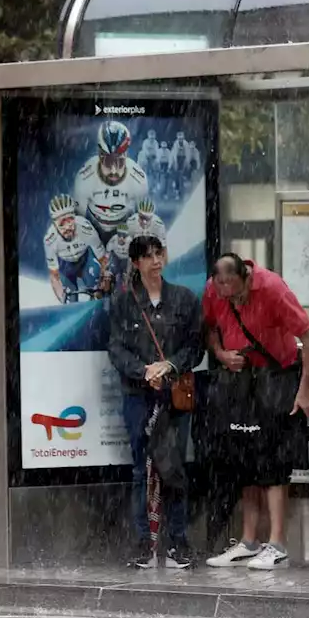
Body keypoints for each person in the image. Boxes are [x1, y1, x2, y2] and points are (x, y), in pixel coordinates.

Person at [203, 254, 309, 571]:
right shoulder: (214, 290)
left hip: (277, 375)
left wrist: (305, 388)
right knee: (244, 459)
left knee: (273, 461)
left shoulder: (272, 288)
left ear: (247, 277)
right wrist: (223, 355)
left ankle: (278, 543)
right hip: (241, 381)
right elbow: (211, 329)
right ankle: (249, 541)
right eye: (224, 293)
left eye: (237, 293)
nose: (232, 300)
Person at [107, 236, 203, 569]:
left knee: (174, 467)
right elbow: (116, 349)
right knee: (140, 470)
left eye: (158, 254)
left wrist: (170, 365)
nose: (155, 261)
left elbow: (196, 347)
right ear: (135, 263)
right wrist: (143, 371)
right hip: (138, 395)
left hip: (174, 396)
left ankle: (178, 543)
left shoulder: (185, 299)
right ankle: (143, 545)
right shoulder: (123, 303)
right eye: (147, 257)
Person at [74, 121, 149, 245]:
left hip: (125, 228)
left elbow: (140, 222)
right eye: (108, 161)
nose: (114, 170)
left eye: (120, 162)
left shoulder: (139, 180)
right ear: (99, 154)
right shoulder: (84, 178)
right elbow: (79, 221)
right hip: (95, 228)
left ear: (126, 155)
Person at [44, 194, 110, 304]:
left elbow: (103, 259)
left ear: (75, 217)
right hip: (65, 266)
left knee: (98, 292)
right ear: (54, 224)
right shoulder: (50, 240)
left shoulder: (85, 228)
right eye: (61, 223)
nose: (67, 227)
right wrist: (62, 296)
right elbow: (54, 275)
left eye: (70, 220)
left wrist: (105, 279)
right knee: (69, 301)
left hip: (85, 259)